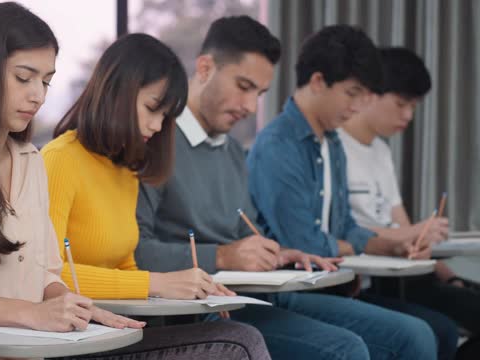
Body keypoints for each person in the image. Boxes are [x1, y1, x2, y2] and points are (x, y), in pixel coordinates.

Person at [0, 3, 268, 360]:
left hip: (47, 345)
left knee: (236, 339)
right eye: (24, 77)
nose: (37, 95)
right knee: (236, 344)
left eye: (46, 82)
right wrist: (32, 314)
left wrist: (74, 307)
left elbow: (48, 273)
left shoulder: (29, 161)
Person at [137, 17, 437, 359]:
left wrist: (277, 253)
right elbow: (134, 250)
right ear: (205, 68)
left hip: (241, 298)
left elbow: (246, 233)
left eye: (260, 93)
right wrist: (222, 255)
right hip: (191, 310)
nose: (251, 107)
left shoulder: (233, 151)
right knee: (348, 349)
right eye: (243, 86)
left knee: (411, 335)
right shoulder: (156, 141)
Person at [41, 32, 270, 359]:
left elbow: (125, 266)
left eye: (166, 116)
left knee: (238, 335)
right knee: (238, 343)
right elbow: (45, 275)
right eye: (152, 108)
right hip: (75, 341)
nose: (158, 125)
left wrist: (193, 287)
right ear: (116, 92)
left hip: (116, 331)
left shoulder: (125, 169)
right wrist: (156, 283)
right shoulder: (59, 160)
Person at [248, 25, 457, 360]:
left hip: (334, 285)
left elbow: (345, 228)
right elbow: (307, 244)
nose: (358, 106)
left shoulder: (332, 143)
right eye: (352, 93)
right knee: (414, 336)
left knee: (425, 332)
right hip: (291, 290)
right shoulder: (278, 145)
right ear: (318, 82)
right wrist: (362, 244)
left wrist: (393, 245)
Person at [339, 46, 480, 354]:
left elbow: (404, 227)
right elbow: (346, 232)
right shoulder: (336, 147)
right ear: (369, 94)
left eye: (414, 107)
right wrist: (413, 233)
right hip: (369, 281)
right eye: (401, 104)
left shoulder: (381, 152)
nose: (407, 116)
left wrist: (447, 271)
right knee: (437, 328)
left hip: (404, 275)